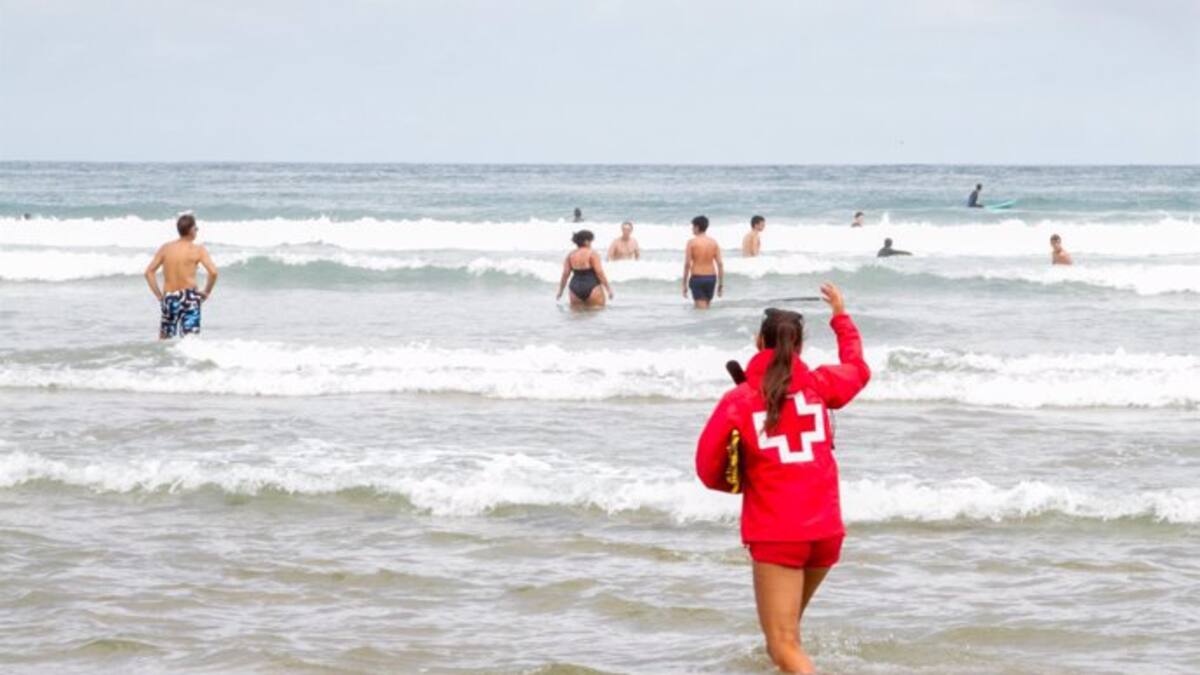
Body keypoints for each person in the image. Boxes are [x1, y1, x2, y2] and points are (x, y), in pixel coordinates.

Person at [695, 283, 870, 674]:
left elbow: (708, 471)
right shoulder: (821, 385)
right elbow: (858, 369)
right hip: (825, 532)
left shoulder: (740, 400)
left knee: (781, 645)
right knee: (789, 636)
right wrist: (841, 316)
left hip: (777, 534)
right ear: (800, 348)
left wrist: (742, 481)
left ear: (759, 342)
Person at [144, 213, 218, 339]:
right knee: (190, 342)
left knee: (164, 340)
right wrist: (206, 292)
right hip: (189, 298)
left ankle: (162, 359)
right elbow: (213, 272)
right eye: (196, 228)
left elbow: (148, 272)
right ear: (190, 230)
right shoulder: (198, 249)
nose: (197, 231)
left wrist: (159, 296)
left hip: (170, 297)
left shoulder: (166, 248)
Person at [556, 229, 613, 309]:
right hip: (592, 285)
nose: (591, 244)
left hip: (574, 288)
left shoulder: (570, 255)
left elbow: (565, 274)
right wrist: (608, 289)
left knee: (577, 317)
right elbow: (600, 272)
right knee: (597, 315)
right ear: (586, 241)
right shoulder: (592, 254)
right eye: (591, 241)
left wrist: (560, 291)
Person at [683, 215, 724, 309]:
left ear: (697, 227)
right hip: (711, 278)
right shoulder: (714, 242)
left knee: (701, 311)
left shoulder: (692, 242)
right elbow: (720, 264)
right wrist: (720, 284)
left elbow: (687, 264)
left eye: (693, 227)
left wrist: (684, 284)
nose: (692, 229)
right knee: (706, 308)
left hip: (698, 278)